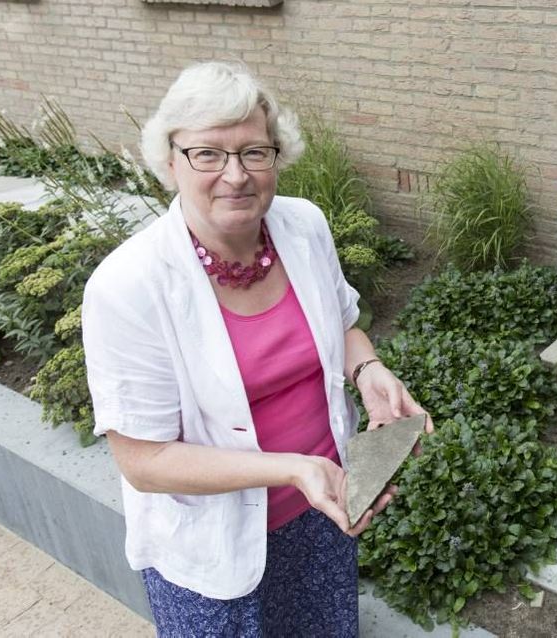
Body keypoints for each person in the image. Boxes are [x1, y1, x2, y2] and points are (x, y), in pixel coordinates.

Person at [82, 61, 431, 636]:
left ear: (277, 156)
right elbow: (143, 462)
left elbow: (344, 324)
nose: (236, 175)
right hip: (213, 547)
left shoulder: (304, 225)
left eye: (253, 152)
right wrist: (291, 468)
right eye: (208, 154)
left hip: (321, 511)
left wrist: (369, 371)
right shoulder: (128, 287)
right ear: (170, 161)